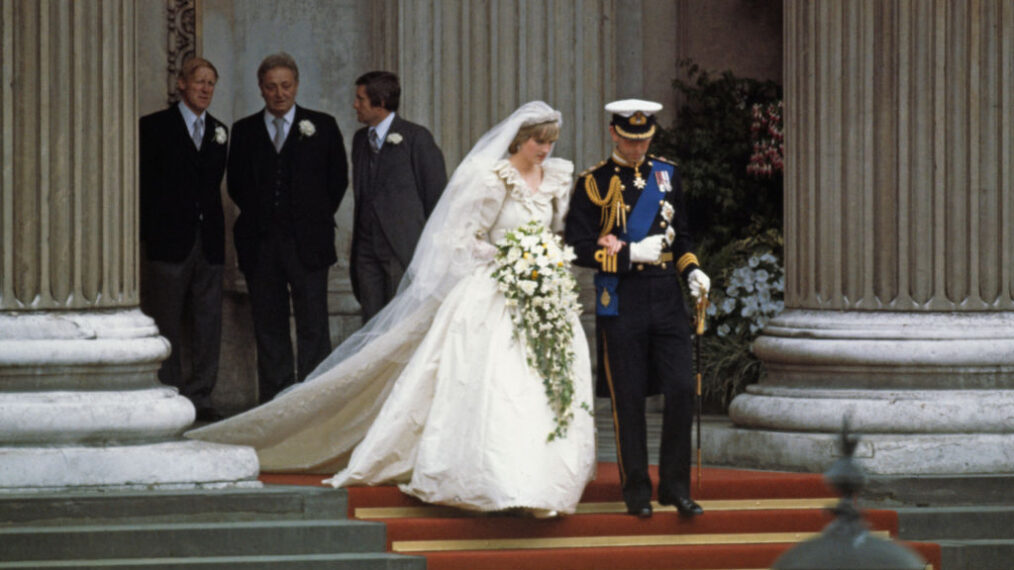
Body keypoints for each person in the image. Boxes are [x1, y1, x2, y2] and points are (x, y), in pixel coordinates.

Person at [188, 101, 596, 516]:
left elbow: (561, 234)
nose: (544, 150)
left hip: (543, 293)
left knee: (545, 383)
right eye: (537, 141)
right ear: (518, 140)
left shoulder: (557, 180)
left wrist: (546, 259)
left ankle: (540, 476)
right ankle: (495, 474)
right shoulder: (490, 179)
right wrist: (510, 256)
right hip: (493, 290)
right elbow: (460, 240)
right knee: (497, 382)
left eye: (549, 142)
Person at [564, 99, 710, 518]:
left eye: (644, 140)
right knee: (628, 398)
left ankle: (675, 487)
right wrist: (629, 254)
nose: (637, 148)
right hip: (623, 297)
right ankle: (636, 491)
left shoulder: (667, 176)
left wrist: (693, 271)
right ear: (614, 133)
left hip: (666, 295)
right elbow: (577, 246)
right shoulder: (593, 182)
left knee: (681, 388)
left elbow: (682, 236)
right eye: (629, 140)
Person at [227, 52, 349, 403]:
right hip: (260, 245)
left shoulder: (322, 125)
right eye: (271, 87)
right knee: (269, 325)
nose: (279, 93)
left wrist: (311, 218)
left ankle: (313, 402)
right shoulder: (244, 130)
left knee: (314, 325)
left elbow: (337, 180)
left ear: (296, 85)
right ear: (260, 89)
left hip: (309, 244)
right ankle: (275, 404)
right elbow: (236, 184)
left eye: (286, 86)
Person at [139, 57, 228, 422]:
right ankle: (169, 392)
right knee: (167, 321)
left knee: (208, 323)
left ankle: (202, 395)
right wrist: (149, 234)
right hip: (167, 242)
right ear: (181, 85)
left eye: (211, 83)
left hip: (208, 242)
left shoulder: (220, 131)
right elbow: (143, 187)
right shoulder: (154, 127)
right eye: (199, 82)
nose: (205, 89)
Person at [351, 71, 447, 323]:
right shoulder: (360, 140)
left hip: (400, 250)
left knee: (400, 324)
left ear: (380, 102)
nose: (355, 105)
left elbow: (436, 197)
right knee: (371, 323)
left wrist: (426, 251)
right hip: (365, 252)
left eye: (361, 99)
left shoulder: (417, 138)